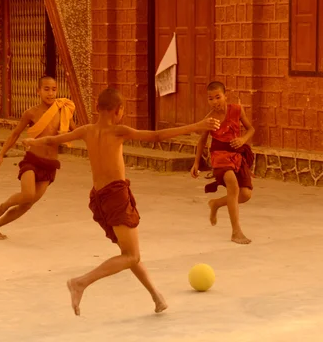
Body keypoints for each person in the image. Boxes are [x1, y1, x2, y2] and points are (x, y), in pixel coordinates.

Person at [22, 87, 220, 316]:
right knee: (131, 255)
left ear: (97, 109)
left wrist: (32, 142)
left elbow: (54, 139)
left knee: (128, 252)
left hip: (99, 198)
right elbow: (155, 136)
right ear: (119, 111)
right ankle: (81, 282)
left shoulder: (86, 130)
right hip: (116, 195)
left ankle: (156, 297)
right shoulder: (119, 131)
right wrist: (197, 127)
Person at [0, 75, 75, 240]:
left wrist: (65, 134)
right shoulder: (31, 113)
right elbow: (15, 134)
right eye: (46, 89)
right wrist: (0, 155)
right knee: (27, 194)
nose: (50, 93)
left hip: (50, 164)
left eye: (54, 89)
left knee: (27, 205)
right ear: (38, 91)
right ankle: (3, 206)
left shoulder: (62, 110)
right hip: (32, 160)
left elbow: (75, 131)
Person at [190, 81, 255, 245]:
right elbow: (202, 142)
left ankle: (216, 203)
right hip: (219, 156)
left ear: (226, 96)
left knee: (246, 195)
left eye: (218, 97)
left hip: (237, 155)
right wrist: (196, 163)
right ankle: (236, 232)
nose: (215, 102)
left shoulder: (237, 110)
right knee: (232, 184)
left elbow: (251, 129)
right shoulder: (209, 119)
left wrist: (243, 139)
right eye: (210, 99)